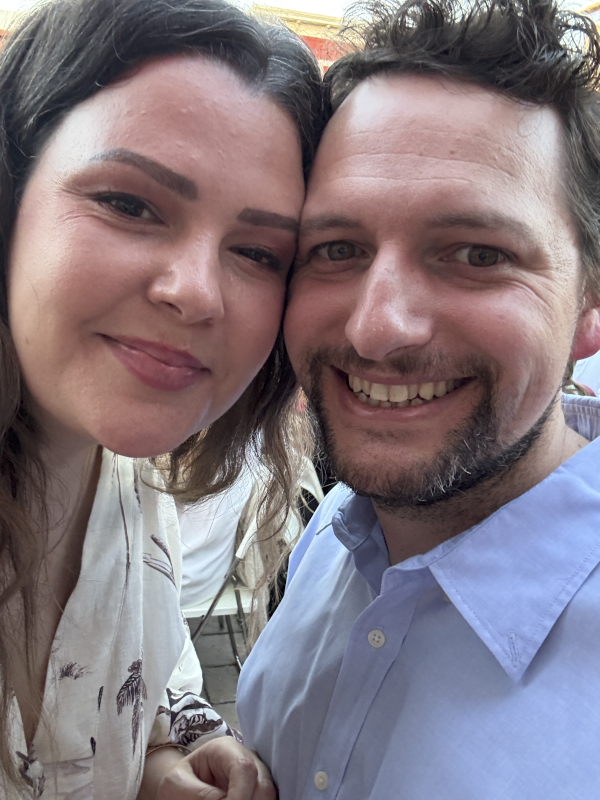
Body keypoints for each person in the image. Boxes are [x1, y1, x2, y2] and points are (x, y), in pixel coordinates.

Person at [237, 0, 600, 796]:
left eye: (477, 254)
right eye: (336, 248)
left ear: (588, 303)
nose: (377, 329)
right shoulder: (336, 533)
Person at [0, 0, 322, 796]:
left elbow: (134, 669)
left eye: (258, 252)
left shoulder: (132, 487)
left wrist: (160, 756)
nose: (197, 292)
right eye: (130, 204)